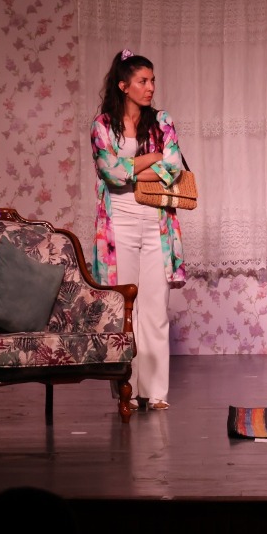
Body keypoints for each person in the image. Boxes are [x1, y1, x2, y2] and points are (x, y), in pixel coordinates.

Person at [90, 49, 187, 411]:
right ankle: (127, 391)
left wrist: (130, 167)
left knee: (155, 309)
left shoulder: (161, 121)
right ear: (123, 86)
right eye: (143, 81)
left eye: (152, 80)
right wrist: (151, 159)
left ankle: (156, 392)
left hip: (156, 225)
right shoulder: (103, 125)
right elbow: (110, 173)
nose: (150, 87)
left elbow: (173, 169)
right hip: (119, 227)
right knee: (123, 310)